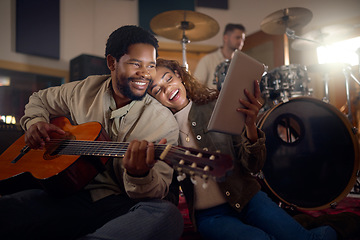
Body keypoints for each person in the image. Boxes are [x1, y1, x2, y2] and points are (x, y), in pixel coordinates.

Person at [0, 25, 184, 240]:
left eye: (150, 65)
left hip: (118, 205)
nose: (145, 73)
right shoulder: (84, 89)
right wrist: (35, 122)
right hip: (67, 195)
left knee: (167, 214)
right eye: (136, 64)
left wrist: (139, 174)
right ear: (112, 63)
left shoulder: (163, 122)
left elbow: (156, 191)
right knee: (9, 208)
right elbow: (40, 99)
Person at [147, 58, 360, 240]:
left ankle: (329, 228)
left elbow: (253, 165)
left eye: (168, 79)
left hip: (249, 198)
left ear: (178, 75)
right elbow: (167, 192)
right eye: (157, 89)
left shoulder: (216, 106)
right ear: (152, 98)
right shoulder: (161, 133)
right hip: (210, 216)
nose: (167, 89)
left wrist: (250, 126)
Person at [194, 23, 246, 89]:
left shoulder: (241, 64)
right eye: (238, 37)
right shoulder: (207, 60)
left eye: (243, 39)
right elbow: (196, 86)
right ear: (225, 38)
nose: (241, 42)